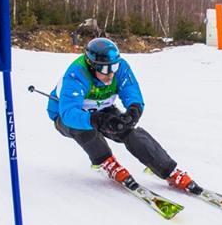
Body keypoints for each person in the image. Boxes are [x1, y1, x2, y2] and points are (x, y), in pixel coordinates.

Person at [46, 37, 200, 193]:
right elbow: (69, 114)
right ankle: (106, 162)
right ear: (92, 67)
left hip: (103, 109)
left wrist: (134, 110)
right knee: (85, 129)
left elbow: (131, 91)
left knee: (127, 129)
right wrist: (97, 120)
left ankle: (167, 170)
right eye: (105, 69)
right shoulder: (76, 74)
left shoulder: (120, 68)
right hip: (66, 117)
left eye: (114, 66)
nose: (111, 73)